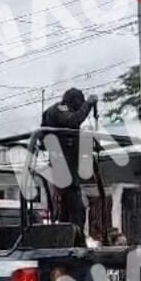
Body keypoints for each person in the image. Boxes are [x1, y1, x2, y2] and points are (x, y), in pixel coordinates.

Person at [41, 88, 98, 230]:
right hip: (63, 168)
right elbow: (73, 121)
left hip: (68, 167)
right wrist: (89, 105)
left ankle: (64, 238)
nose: (80, 107)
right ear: (74, 100)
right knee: (78, 210)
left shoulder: (59, 111)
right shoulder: (59, 109)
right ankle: (76, 241)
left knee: (67, 210)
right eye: (80, 103)